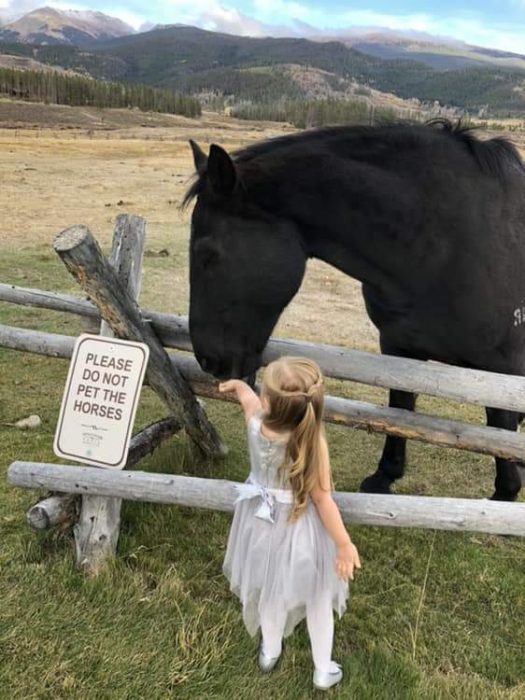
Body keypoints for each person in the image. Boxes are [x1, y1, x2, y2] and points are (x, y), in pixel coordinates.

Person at [219, 356, 361, 691]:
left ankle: (270, 651)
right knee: (318, 596)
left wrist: (240, 386)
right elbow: (323, 501)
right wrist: (343, 543)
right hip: (301, 530)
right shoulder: (310, 444)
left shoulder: (256, 423)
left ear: (268, 402)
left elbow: (249, 403)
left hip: (259, 524)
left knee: (270, 589)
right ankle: (323, 669)